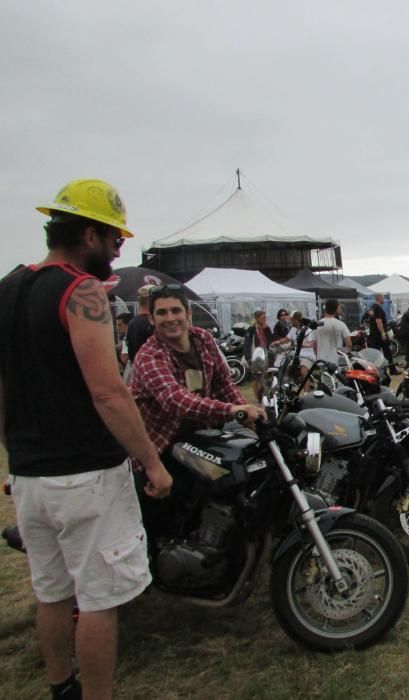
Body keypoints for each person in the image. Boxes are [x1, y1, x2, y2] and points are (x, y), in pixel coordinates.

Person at [0, 178, 172, 700]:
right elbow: (109, 393)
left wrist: (14, 458)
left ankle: (61, 686)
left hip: (30, 477)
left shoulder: (8, 287)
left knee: (51, 592)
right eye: (116, 239)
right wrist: (153, 464)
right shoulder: (82, 292)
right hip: (85, 475)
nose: (120, 249)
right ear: (90, 235)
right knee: (98, 599)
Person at [131, 284, 262, 460]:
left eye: (176, 310)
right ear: (152, 319)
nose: (170, 318)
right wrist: (232, 410)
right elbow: (175, 400)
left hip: (203, 441)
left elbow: (222, 382)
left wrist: (245, 413)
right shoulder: (149, 355)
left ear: (188, 313)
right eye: (162, 313)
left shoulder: (203, 338)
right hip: (162, 448)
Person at [122, 284, 156, 383]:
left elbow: (126, 354)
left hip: (135, 371)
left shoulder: (132, 323)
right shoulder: (151, 322)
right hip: (150, 373)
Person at [312, 298, 352, 364]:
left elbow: (314, 345)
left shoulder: (317, 325)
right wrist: (343, 355)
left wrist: (318, 356)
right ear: (336, 309)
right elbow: (349, 344)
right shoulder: (341, 325)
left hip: (321, 361)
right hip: (336, 362)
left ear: (325, 309)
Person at [367, 293, 399, 373]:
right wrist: (383, 333)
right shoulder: (378, 308)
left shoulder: (372, 308)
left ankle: (381, 371)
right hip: (379, 336)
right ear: (380, 298)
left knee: (376, 355)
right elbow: (379, 321)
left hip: (373, 335)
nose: (384, 299)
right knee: (387, 353)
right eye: (383, 298)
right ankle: (392, 370)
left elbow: (368, 320)